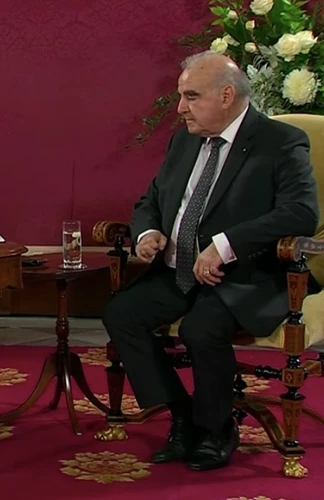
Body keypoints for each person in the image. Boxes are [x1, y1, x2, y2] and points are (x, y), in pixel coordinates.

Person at [102, 51, 319, 471]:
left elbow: (301, 212)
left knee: (203, 328)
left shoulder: (281, 141)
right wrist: (147, 232)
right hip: (179, 269)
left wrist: (226, 244)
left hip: (246, 274)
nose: (180, 108)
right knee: (122, 312)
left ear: (226, 95)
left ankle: (216, 429)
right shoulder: (184, 138)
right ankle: (181, 417)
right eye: (181, 96)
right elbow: (151, 199)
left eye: (191, 96)